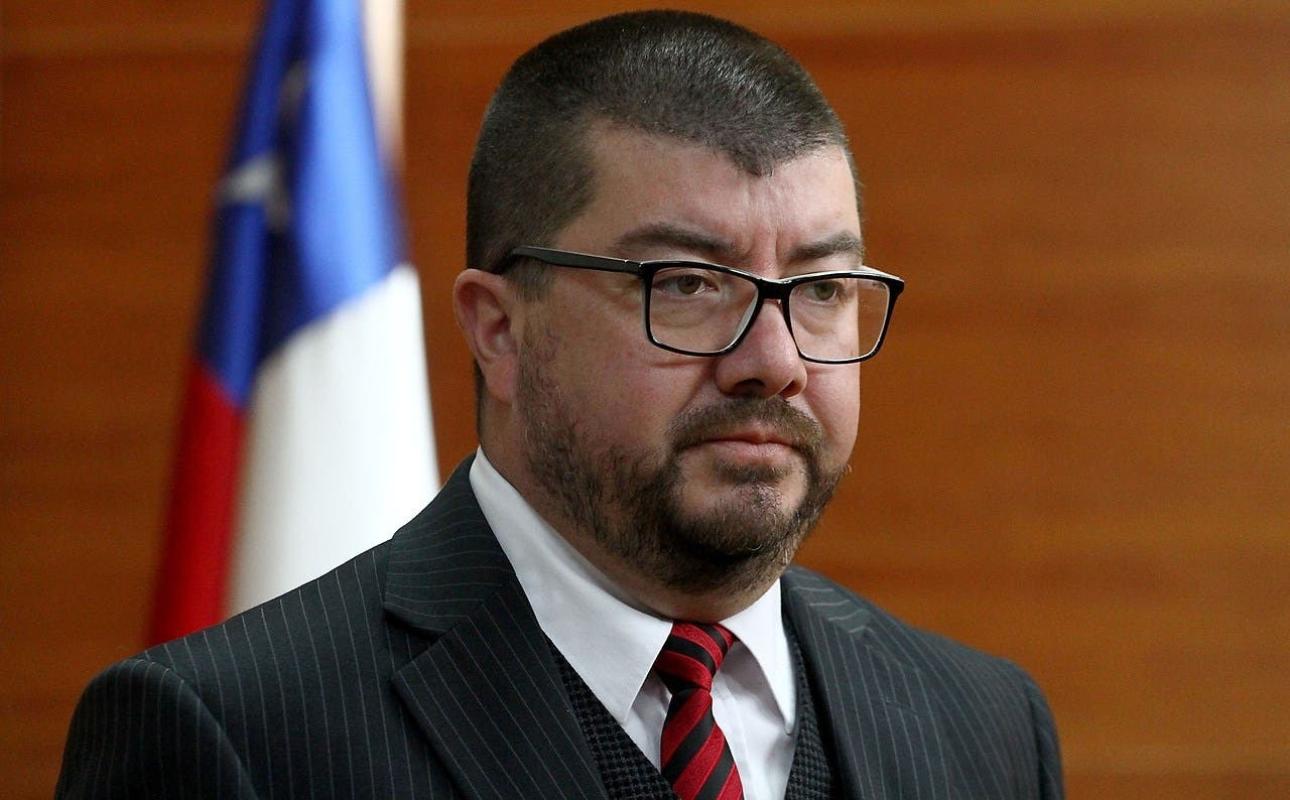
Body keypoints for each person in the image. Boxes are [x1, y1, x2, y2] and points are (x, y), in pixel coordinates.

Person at [57, 10, 1063, 799]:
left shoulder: (986, 725)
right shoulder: (230, 734)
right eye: (686, 284)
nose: (775, 361)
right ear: (500, 328)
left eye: (822, 289)